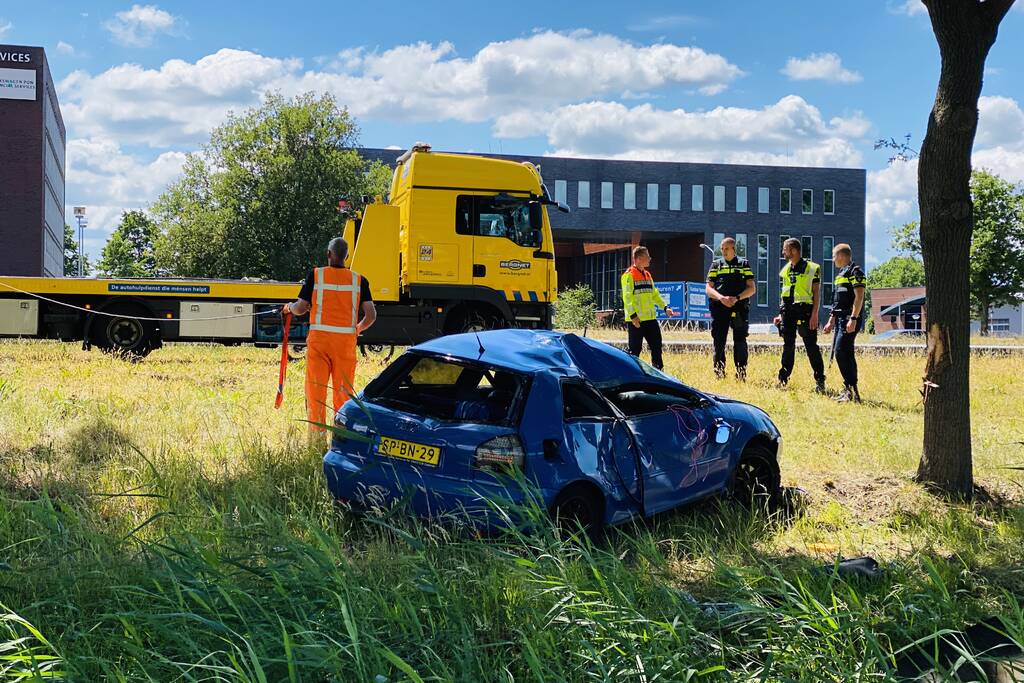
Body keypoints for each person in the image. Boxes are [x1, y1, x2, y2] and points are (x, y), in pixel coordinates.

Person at [282, 237, 377, 433]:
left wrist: (288, 307)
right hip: (345, 345)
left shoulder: (316, 275)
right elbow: (371, 315)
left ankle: (316, 439)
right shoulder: (359, 280)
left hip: (320, 343)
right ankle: (341, 438)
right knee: (343, 394)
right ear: (346, 257)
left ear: (328, 254)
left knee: (316, 391)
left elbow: (300, 308)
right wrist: (357, 329)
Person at [772, 238, 826, 392]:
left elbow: (816, 293)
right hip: (788, 312)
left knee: (811, 346)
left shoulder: (812, 268)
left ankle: (820, 380)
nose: (783, 252)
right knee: (788, 346)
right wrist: (780, 315)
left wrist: (814, 314)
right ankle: (783, 380)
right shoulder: (786, 270)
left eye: (785, 249)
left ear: (794, 250)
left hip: (805, 312)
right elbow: (785, 294)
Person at [705, 237, 756, 380]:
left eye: (726, 248)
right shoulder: (716, 265)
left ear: (734, 249)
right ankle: (719, 373)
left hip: (739, 308)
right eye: (722, 249)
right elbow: (708, 288)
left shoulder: (743, 264)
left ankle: (741, 374)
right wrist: (721, 298)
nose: (723, 251)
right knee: (719, 341)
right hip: (720, 308)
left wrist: (737, 298)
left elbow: (752, 289)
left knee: (740, 341)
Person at [822, 243, 866, 402]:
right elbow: (838, 301)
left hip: (850, 319)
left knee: (840, 352)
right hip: (841, 320)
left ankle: (850, 389)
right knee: (846, 353)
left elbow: (859, 297)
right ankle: (851, 391)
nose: (833, 259)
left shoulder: (855, 272)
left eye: (834, 256)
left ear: (841, 256)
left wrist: (853, 318)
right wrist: (831, 320)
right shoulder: (841, 274)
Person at [621, 246, 678, 370]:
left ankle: (658, 372)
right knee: (635, 350)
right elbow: (627, 298)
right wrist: (633, 316)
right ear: (639, 258)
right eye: (647, 256)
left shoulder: (647, 275)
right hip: (636, 320)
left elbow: (654, 294)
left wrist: (665, 308)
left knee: (656, 347)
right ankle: (632, 374)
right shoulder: (629, 275)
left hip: (650, 319)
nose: (650, 258)